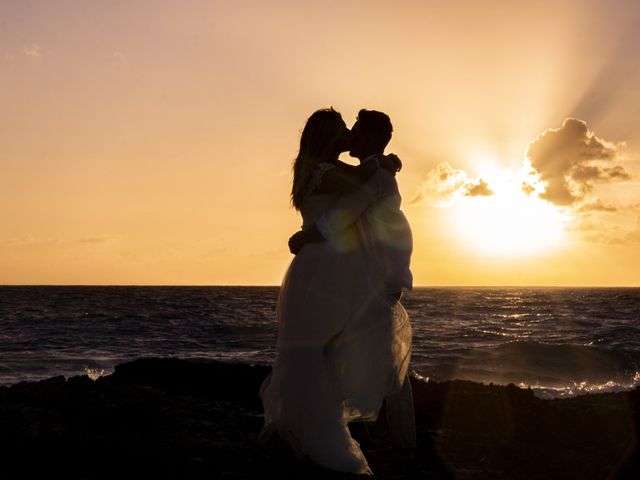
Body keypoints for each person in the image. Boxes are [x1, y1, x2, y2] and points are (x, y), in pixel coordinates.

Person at [258, 108, 404, 475]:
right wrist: (384, 164)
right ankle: (322, 439)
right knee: (315, 351)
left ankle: (302, 427)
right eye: (341, 130)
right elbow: (363, 189)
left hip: (317, 265)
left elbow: (361, 181)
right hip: (322, 267)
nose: (347, 135)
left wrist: (382, 163)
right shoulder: (326, 172)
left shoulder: (312, 169)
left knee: (310, 350)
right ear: (327, 135)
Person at [288, 109, 416, 457]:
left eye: (355, 130)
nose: (350, 136)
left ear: (372, 138)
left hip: (371, 271)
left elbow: (345, 213)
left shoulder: (373, 176)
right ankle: (367, 428)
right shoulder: (353, 172)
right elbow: (345, 208)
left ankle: (385, 432)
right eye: (346, 130)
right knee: (347, 346)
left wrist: (308, 235)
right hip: (345, 268)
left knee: (364, 348)